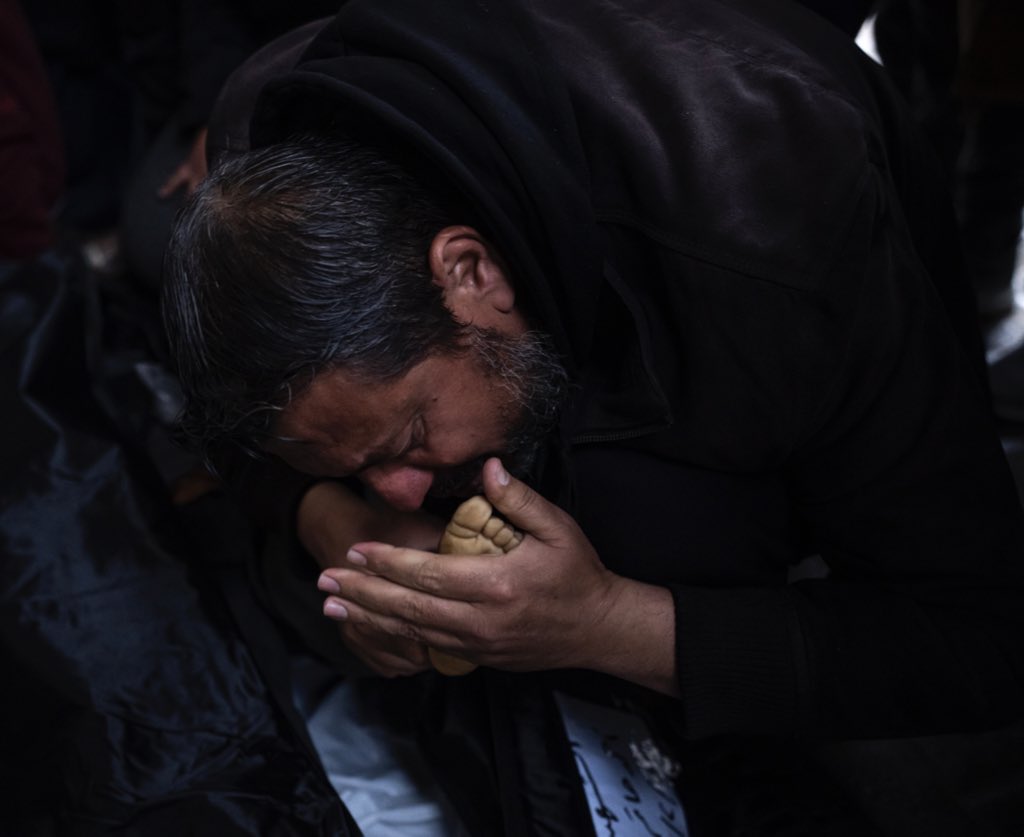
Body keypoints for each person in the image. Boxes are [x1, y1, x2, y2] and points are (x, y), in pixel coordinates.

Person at [162, 0, 1024, 829]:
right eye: (353, 466)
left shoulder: (781, 231)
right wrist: (330, 519)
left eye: (409, 439)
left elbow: (978, 639)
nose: (397, 489)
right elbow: (250, 443)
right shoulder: (261, 161)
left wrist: (608, 623)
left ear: (470, 272)